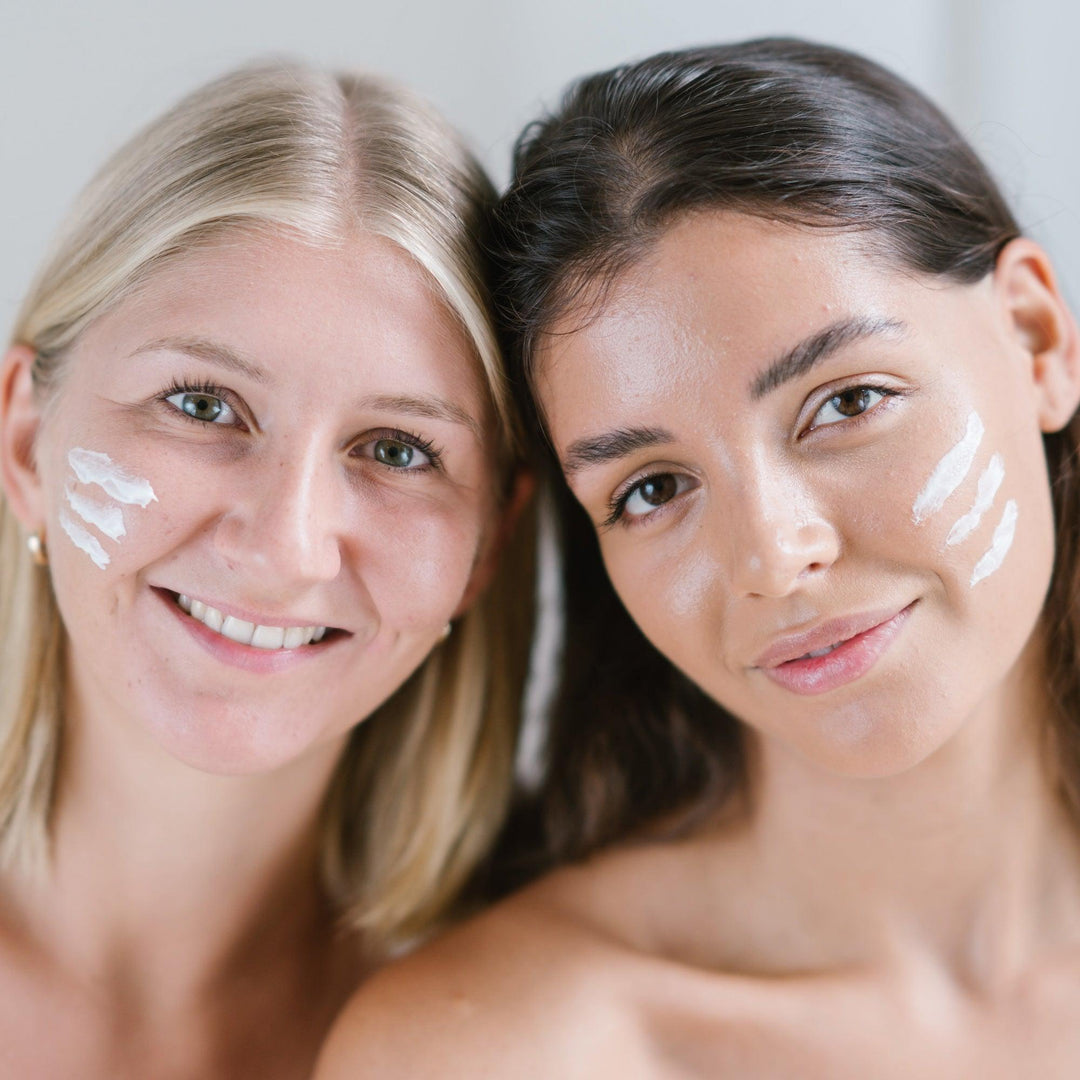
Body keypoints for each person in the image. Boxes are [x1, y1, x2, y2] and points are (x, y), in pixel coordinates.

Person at [315, 38, 1080, 1077]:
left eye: (847, 404)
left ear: (1036, 338)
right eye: (653, 489)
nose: (773, 555)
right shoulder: (499, 1048)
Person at [0, 60, 532, 1078]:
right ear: (28, 443)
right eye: (203, 405)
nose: (287, 547)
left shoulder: (533, 1036)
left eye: (398, 450)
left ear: (486, 550)